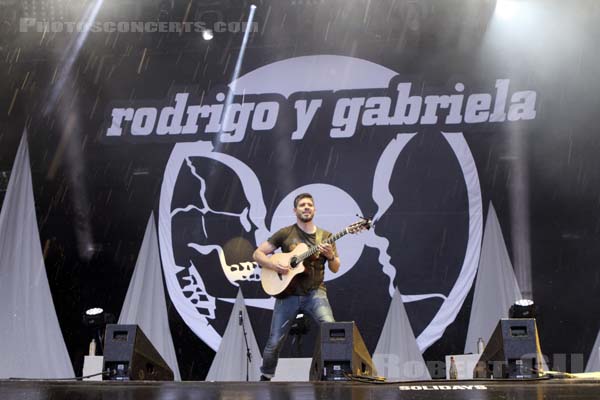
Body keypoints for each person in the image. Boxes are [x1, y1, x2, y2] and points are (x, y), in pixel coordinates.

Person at [253, 192, 340, 381]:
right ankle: (266, 377)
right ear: (295, 210)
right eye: (302, 205)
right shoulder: (286, 233)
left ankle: (334, 373)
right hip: (287, 295)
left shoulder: (325, 237)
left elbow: (335, 267)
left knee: (332, 330)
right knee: (275, 341)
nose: (306, 207)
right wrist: (274, 265)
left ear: (314, 209)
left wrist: (331, 256)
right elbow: (258, 254)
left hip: (315, 293)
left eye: (310, 204)